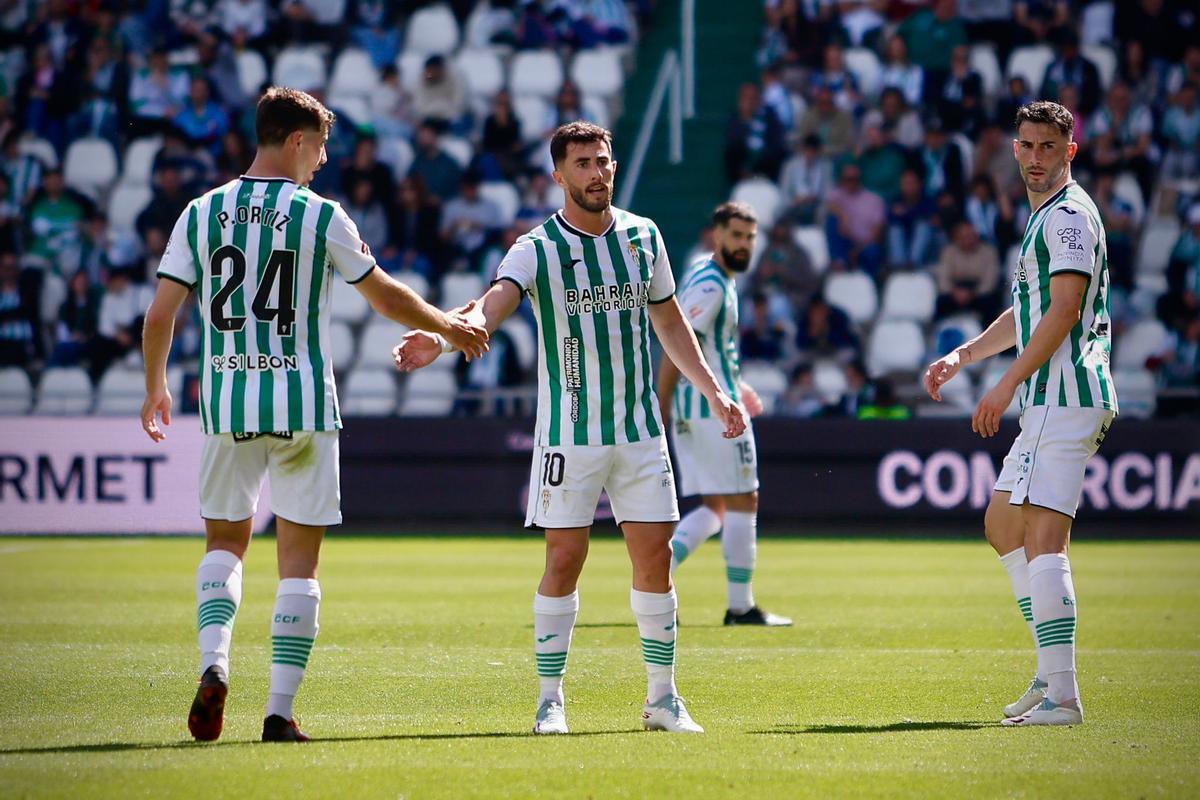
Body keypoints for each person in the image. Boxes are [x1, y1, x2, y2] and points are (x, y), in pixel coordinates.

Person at [139, 87, 488, 745]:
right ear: (296, 140)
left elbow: (160, 316)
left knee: (224, 546)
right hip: (302, 405)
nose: (324, 160)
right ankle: (278, 714)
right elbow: (382, 293)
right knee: (299, 565)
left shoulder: (201, 211)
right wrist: (447, 325)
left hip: (228, 402)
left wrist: (155, 387)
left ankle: (214, 663)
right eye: (321, 145)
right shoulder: (319, 214)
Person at [393, 121, 746, 736]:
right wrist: (446, 337)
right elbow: (491, 305)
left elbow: (671, 325)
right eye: (582, 163)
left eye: (604, 161)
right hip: (569, 433)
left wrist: (714, 390)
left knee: (655, 557)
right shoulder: (535, 248)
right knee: (564, 558)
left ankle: (662, 699)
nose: (597, 173)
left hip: (639, 430)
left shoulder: (643, 236)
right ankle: (550, 699)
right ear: (559, 175)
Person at [923, 101, 1117, 727]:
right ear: (1014, 149)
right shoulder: (1044, 219)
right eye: (1026, 146)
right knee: (1003, 525)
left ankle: (1063, 694)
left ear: (1070, 151)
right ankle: (1048, 667)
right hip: (1051, 399)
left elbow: (1063, 310)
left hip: (1066, 395)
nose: (1036, 158)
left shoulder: (1065, 218)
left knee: (1042, 537)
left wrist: (1004, 384)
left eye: (1048, 147)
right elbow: (1029, 311)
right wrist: (965, 354)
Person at [657, 203, 791, 627]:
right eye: (736, 235)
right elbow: (676, 343)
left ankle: (657, 575)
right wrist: (661, 403)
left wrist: (738, 384)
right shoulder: (713, 285)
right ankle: (740, 607)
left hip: (700, 405)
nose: (744, 244)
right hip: (711, 411)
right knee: (743, 498)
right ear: (717, 235)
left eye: (750, 237)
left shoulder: (706, 271)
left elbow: (710, 350)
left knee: (715, 506)